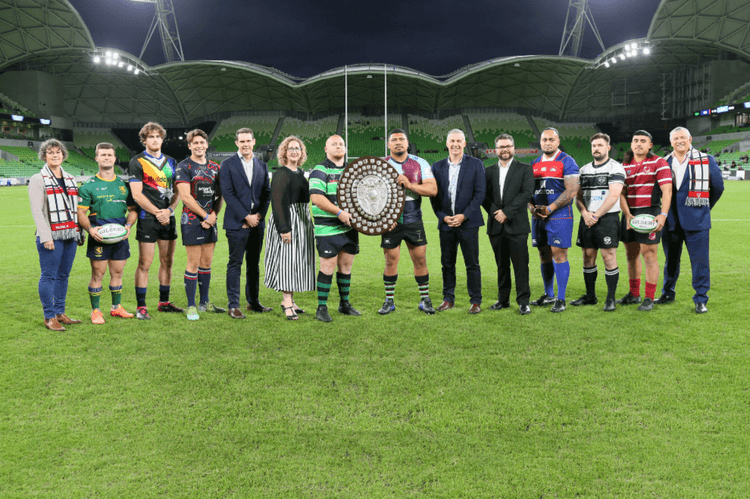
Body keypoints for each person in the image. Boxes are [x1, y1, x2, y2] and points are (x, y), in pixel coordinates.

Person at [659, 126, 724, 313]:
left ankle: (701, 299)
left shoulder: (706, 160)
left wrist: (703, 207)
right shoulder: (663, 162)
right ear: (671, 142)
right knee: (670, 260)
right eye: (676, 138)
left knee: (700, 262)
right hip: (670, 220)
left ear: (690, 139)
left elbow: (718, 188)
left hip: (697, 220)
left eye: (683, 137)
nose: (679, 141)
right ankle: (667, 292)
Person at [378, 129, 438, 315]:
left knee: (420, 259)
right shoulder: (381, 164)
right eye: (394, 140)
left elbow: (433, 189)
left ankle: (425, 300)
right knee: (390, 261)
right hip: (390, 222)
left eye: (401, 139)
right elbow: (369, 195)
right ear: (388, 145)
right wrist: (384, 217)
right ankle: (389, 301)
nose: (398, 142)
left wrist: (409, 185)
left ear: (407, 142)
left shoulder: (420, 162)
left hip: (414, 220)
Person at [77, 142, 138, 324]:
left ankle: (116, 308)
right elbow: (81, 213)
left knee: (118, 273)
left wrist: (128, 226)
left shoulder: (123, 184)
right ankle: (95, 311)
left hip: (120, 232)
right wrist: (90, 229)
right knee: (98, 274)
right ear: (96, 158)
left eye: (109, 155)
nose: (106, 158)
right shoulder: (88, 186)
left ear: (114, 158)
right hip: (99, 234)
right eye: (102, 155)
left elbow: (133, 210)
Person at [28, 139, 84, 331]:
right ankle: (49, 316)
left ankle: (60, 312)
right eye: (50, 152)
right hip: (51, 235)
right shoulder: (38, 179)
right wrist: (45, 236)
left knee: (63, 275)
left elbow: (75, 208)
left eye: (58, 152)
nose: (55, 155)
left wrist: (79, 231)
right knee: (49, 275)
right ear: (44, 156)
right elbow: (37, 211)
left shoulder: (70, 178)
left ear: (63, 155)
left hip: (70, 234)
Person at [129, 122, 181, 320]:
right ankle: (141, 307)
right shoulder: (137, 162)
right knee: (145, 263)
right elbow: (137, 195)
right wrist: (158, 212)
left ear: (162, 139)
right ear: (144, 140)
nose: (155, 140)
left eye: (158, 136)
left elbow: (178, 192)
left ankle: (164, 302)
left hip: (168, 217)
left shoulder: (172, 162)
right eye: (150, 137)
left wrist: (168, 210)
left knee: (167, 261)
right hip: (148, 218)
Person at [430, 129, 486, 314]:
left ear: (464, 143)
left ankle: (476, 301)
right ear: (447, 144)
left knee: (472, 264)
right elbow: (434, 197)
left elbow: (480, 194)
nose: (455, 144)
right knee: (447, 264)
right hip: (446, 224)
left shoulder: (476, 164)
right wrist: (443, 216)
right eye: (452, 141)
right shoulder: (437, 167)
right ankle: (448, 299)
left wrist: (464, 215)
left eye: (459, 141)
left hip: (468, 223)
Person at [220, 127, 272, 319]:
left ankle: (253, 302)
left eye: (248, 141)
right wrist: (245, 217)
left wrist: (257, 216)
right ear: (237, 143)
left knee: (254, 264)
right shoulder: (227, 165)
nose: (245, 144)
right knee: (235, 263)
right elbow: (228, 195)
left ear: (253, 141)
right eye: (241, 141)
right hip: (236, 223)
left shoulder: (262, 165)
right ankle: (233, 305)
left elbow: (267, 194)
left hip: (257, 224)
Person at [618, 130, 673, 312]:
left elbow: (667, 190)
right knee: (630, 255)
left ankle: (649, 298)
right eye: (635, 140)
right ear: (631, 144)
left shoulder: (659, 162)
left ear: (650, 145)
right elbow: (621, 193)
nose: (638, 144)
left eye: (643, 141)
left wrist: (663, 214)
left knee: (649, 255)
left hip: (650, 213)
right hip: (629, 214)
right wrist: (626, 215)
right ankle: (634, 294)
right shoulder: (624, 165)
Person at [571, 133, 625, 312]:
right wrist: (585, 213)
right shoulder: (584, 170)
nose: (596, 148)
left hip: (607, 218)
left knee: (608, 257)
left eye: (600, 145)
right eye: (594, 145)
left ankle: (610, 299)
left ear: (608, 147)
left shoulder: (615, 167)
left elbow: (614, 195)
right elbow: (577, 197)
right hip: (587, 218)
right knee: (588, 256)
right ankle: (590, 296)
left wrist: (595, 215)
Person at [309, 135, 361, 322]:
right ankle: (321, 307)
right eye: (334, 144)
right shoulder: (320, 169)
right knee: (328, 267)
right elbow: (317, 198)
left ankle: (344, 304)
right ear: (326, 149)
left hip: (349, 227)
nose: (338, 147)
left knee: (346, 266)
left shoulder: (351, 169)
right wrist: (339, 212)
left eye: (341, 144)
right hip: (328, 228)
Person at [528, 127, 580, 313]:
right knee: (543, 255)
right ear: (540, 142)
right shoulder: (534, 163)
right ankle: (548, 295)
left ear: (558, 142)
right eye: (544, 140)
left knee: (559, 254)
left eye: (551, 139)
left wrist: (550, 208)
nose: (547, 143)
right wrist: (532, 209)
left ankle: (561, 298)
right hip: (538, 216)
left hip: (559, 216)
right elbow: (526, 191)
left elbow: (572, 190)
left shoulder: (567, 161)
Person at [175, 129, 225, 321]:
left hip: (210, 219)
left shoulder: (215, 167)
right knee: (193, 263)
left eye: (202, 143)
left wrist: (213, 215)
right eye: (195, 143)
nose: (199, 146)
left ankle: (205, 303)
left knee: (206, 263)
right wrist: (205, 215)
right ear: (190, 146)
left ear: (206, 145)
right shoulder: (184, 166)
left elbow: (220, 195)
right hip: (192, 220)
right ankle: (191, 305)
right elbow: (186, 197)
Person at [482, 133, 534, 315]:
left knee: (521, 265)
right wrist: (497, 213)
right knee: (501, 265)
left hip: (517, 225)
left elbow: (526, 194)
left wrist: (507, 213)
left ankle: (523, 301)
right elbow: (483, 196)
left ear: (514, 148)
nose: (505, 149)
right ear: (495, 150)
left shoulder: (525, 169)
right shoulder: (488, 171)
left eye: (508, 146)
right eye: (501, 147)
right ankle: (502, 300)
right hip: (496, 225)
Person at [264, 136, 316, 320]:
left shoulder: (300, 173)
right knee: (287, 261)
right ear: (284, 152)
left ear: (302, 152)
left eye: (298, 148)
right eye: (290, 148)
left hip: (302, 220)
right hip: (288, 220)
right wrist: (284, 228)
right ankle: (286, 301)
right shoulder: (281, 173)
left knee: (296, 262)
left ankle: (292, 300)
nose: (294, 151)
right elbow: (277, 203)